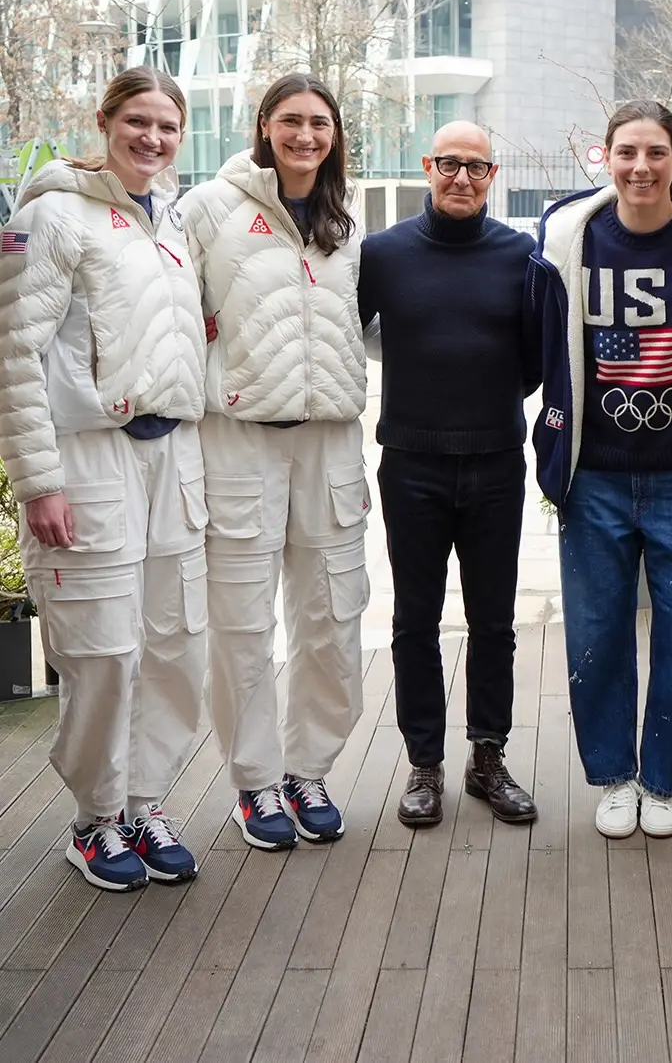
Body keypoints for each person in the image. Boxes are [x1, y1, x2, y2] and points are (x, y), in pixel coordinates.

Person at [0, 67, 207, 891]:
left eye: (166, 126)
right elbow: (13, 353)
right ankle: (95, 819)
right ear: (106, 122)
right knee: (103, 652)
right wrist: (38, 482)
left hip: (169, 459)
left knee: (172, 645)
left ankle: (143, 802)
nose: (151, 138)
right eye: (137, 122)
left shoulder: (171, 223)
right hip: (90, 460)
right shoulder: (53, 216)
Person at [527, 100, 672, 839]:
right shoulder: (568, 239)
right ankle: (614, 776)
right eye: (627, 152)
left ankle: (661, 779)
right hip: (594, 476)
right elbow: (540, 345)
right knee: (597, 631)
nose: (641, 167)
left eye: (656, 152)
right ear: (606, 156)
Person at [181, 73, 369, 850]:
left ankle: (309, 769)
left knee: (331, 615)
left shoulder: (344, 223)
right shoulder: (208, 210)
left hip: (327, 443)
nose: (305, 136)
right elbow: (176, 315)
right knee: (243, 624)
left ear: (334, 136)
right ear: (263, 126)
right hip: (240, 441)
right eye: (291, 121)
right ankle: (254, 784)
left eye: (319, 124)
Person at [358, 122, 538, 828]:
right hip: (411, 466)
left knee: (495, 623)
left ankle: (487, 758)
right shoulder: (384, 254)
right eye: (449, 164)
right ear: (428, 167)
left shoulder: (521, 255)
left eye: (477, 167)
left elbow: (536, 359)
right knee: (414, 622)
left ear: (493, 174)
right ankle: (424, 765)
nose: (462, 177)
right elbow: (343, 337)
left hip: (496, 462)